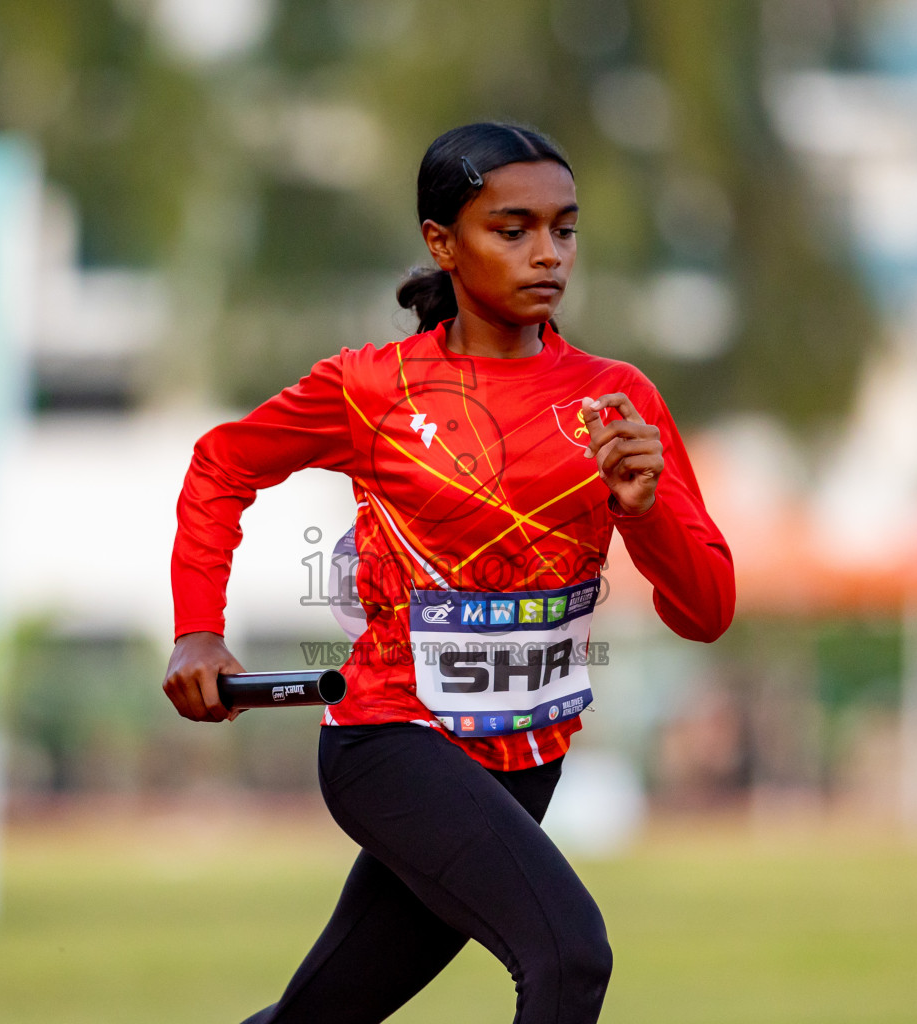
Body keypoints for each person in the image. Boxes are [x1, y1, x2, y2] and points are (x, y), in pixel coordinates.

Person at [163, 122, 735, 1024]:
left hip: (526, 758)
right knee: (569, 954)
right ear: (442, 242)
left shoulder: (618, 400)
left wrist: (645, 505)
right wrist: (198, 626)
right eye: (513, 230)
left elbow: (706, 612)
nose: (548, 253)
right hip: (390, 745)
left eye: (566, 228)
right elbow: (222, 463)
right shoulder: (372, 387)